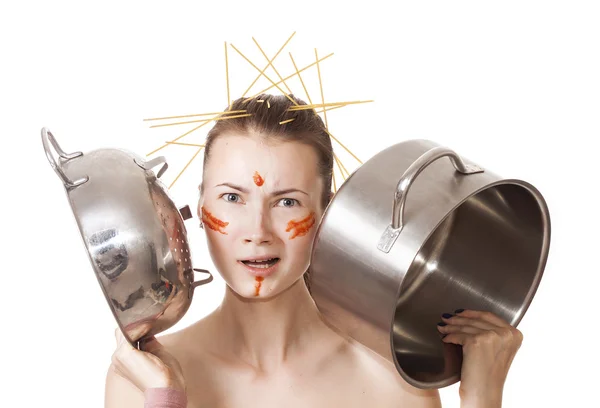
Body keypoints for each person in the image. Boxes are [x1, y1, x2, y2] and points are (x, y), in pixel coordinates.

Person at [105, 94, 524, 408]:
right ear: (199, 208)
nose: (258, 231)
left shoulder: (388, 378)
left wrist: (482, 399)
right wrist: (167, 398)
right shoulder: (144, 378)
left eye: (287, 201)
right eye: (232, 198)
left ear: (328, 213)